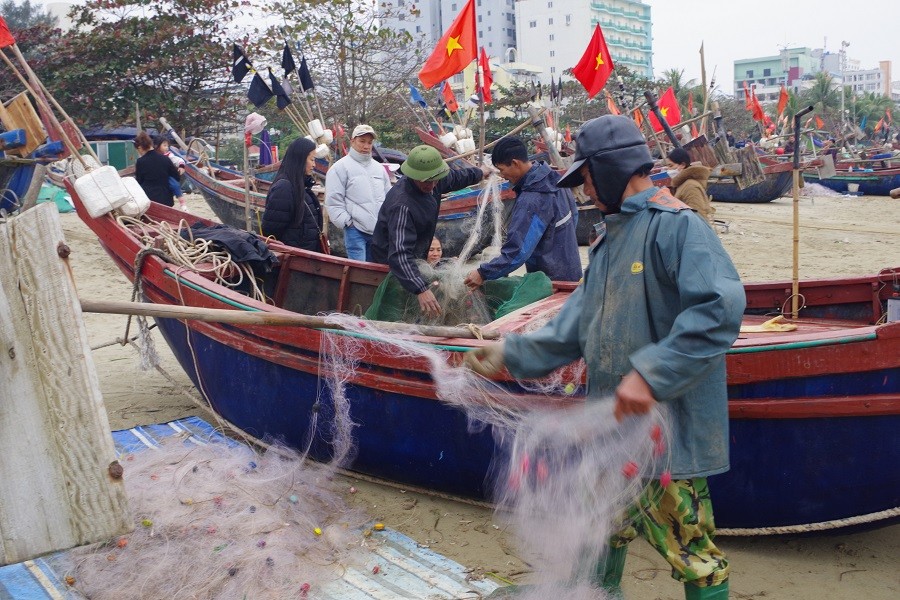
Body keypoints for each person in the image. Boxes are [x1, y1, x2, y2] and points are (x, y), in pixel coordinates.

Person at [465, 115, 745, 600]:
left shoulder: (678, 229)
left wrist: (650, 376)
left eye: (588, 177)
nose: (585, 190)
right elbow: (576, 323)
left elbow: (718, 312)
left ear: (613, 168)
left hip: (665, 438)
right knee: (599, 525)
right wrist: (511, 352)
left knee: (692, 553)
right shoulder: (611, 239)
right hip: (613, 434)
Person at [371, 145, 491, 317]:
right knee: (398, 309)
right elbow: (399, 254)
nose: (433, 185)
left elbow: (455, 178)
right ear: (413, 175)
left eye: (436, 180)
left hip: (416, 256)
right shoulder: (402, 205)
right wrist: (420, 289)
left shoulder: (434, 180)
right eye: (427, 181)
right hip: (391, 263)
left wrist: (480, 173)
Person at [463, 136, 581, 290]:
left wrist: (483, 273)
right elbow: (574, 217)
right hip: (573, 273)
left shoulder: (533, 198)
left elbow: (517, 250)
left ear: (515, 163)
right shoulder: (556, 179)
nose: (502, 175)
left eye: (502, 170)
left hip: (550, 282)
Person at [325, 124, 391, 261]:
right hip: (355, 231)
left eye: (369, 142)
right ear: (352, 141)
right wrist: (347, 223)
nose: (366, 146)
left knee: (376, 274)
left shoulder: (379, 169)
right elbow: (333, 201)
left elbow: (389, 199)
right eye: (362, 141)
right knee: (358, 274)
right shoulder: (339, 168)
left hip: (379, 232)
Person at [261, 138, 325, 252]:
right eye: (312, 159)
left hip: (307, 256)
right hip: (294, 259)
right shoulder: (284, 188)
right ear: (300, 160)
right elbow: (271, 230)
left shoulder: (301, 185)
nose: (314, 164)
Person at [666, 147, 714, 226]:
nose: (668, 169)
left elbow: (698, 218)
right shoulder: (682, 184)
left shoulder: (691, 187)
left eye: (670, 166)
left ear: (682, 165)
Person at [135, 133, 181, 207]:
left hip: (148, 199)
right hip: (166, 200)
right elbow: (177, 177)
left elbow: (139, 181)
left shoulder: (140, 161)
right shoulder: (166, 159)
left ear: (140, 147)